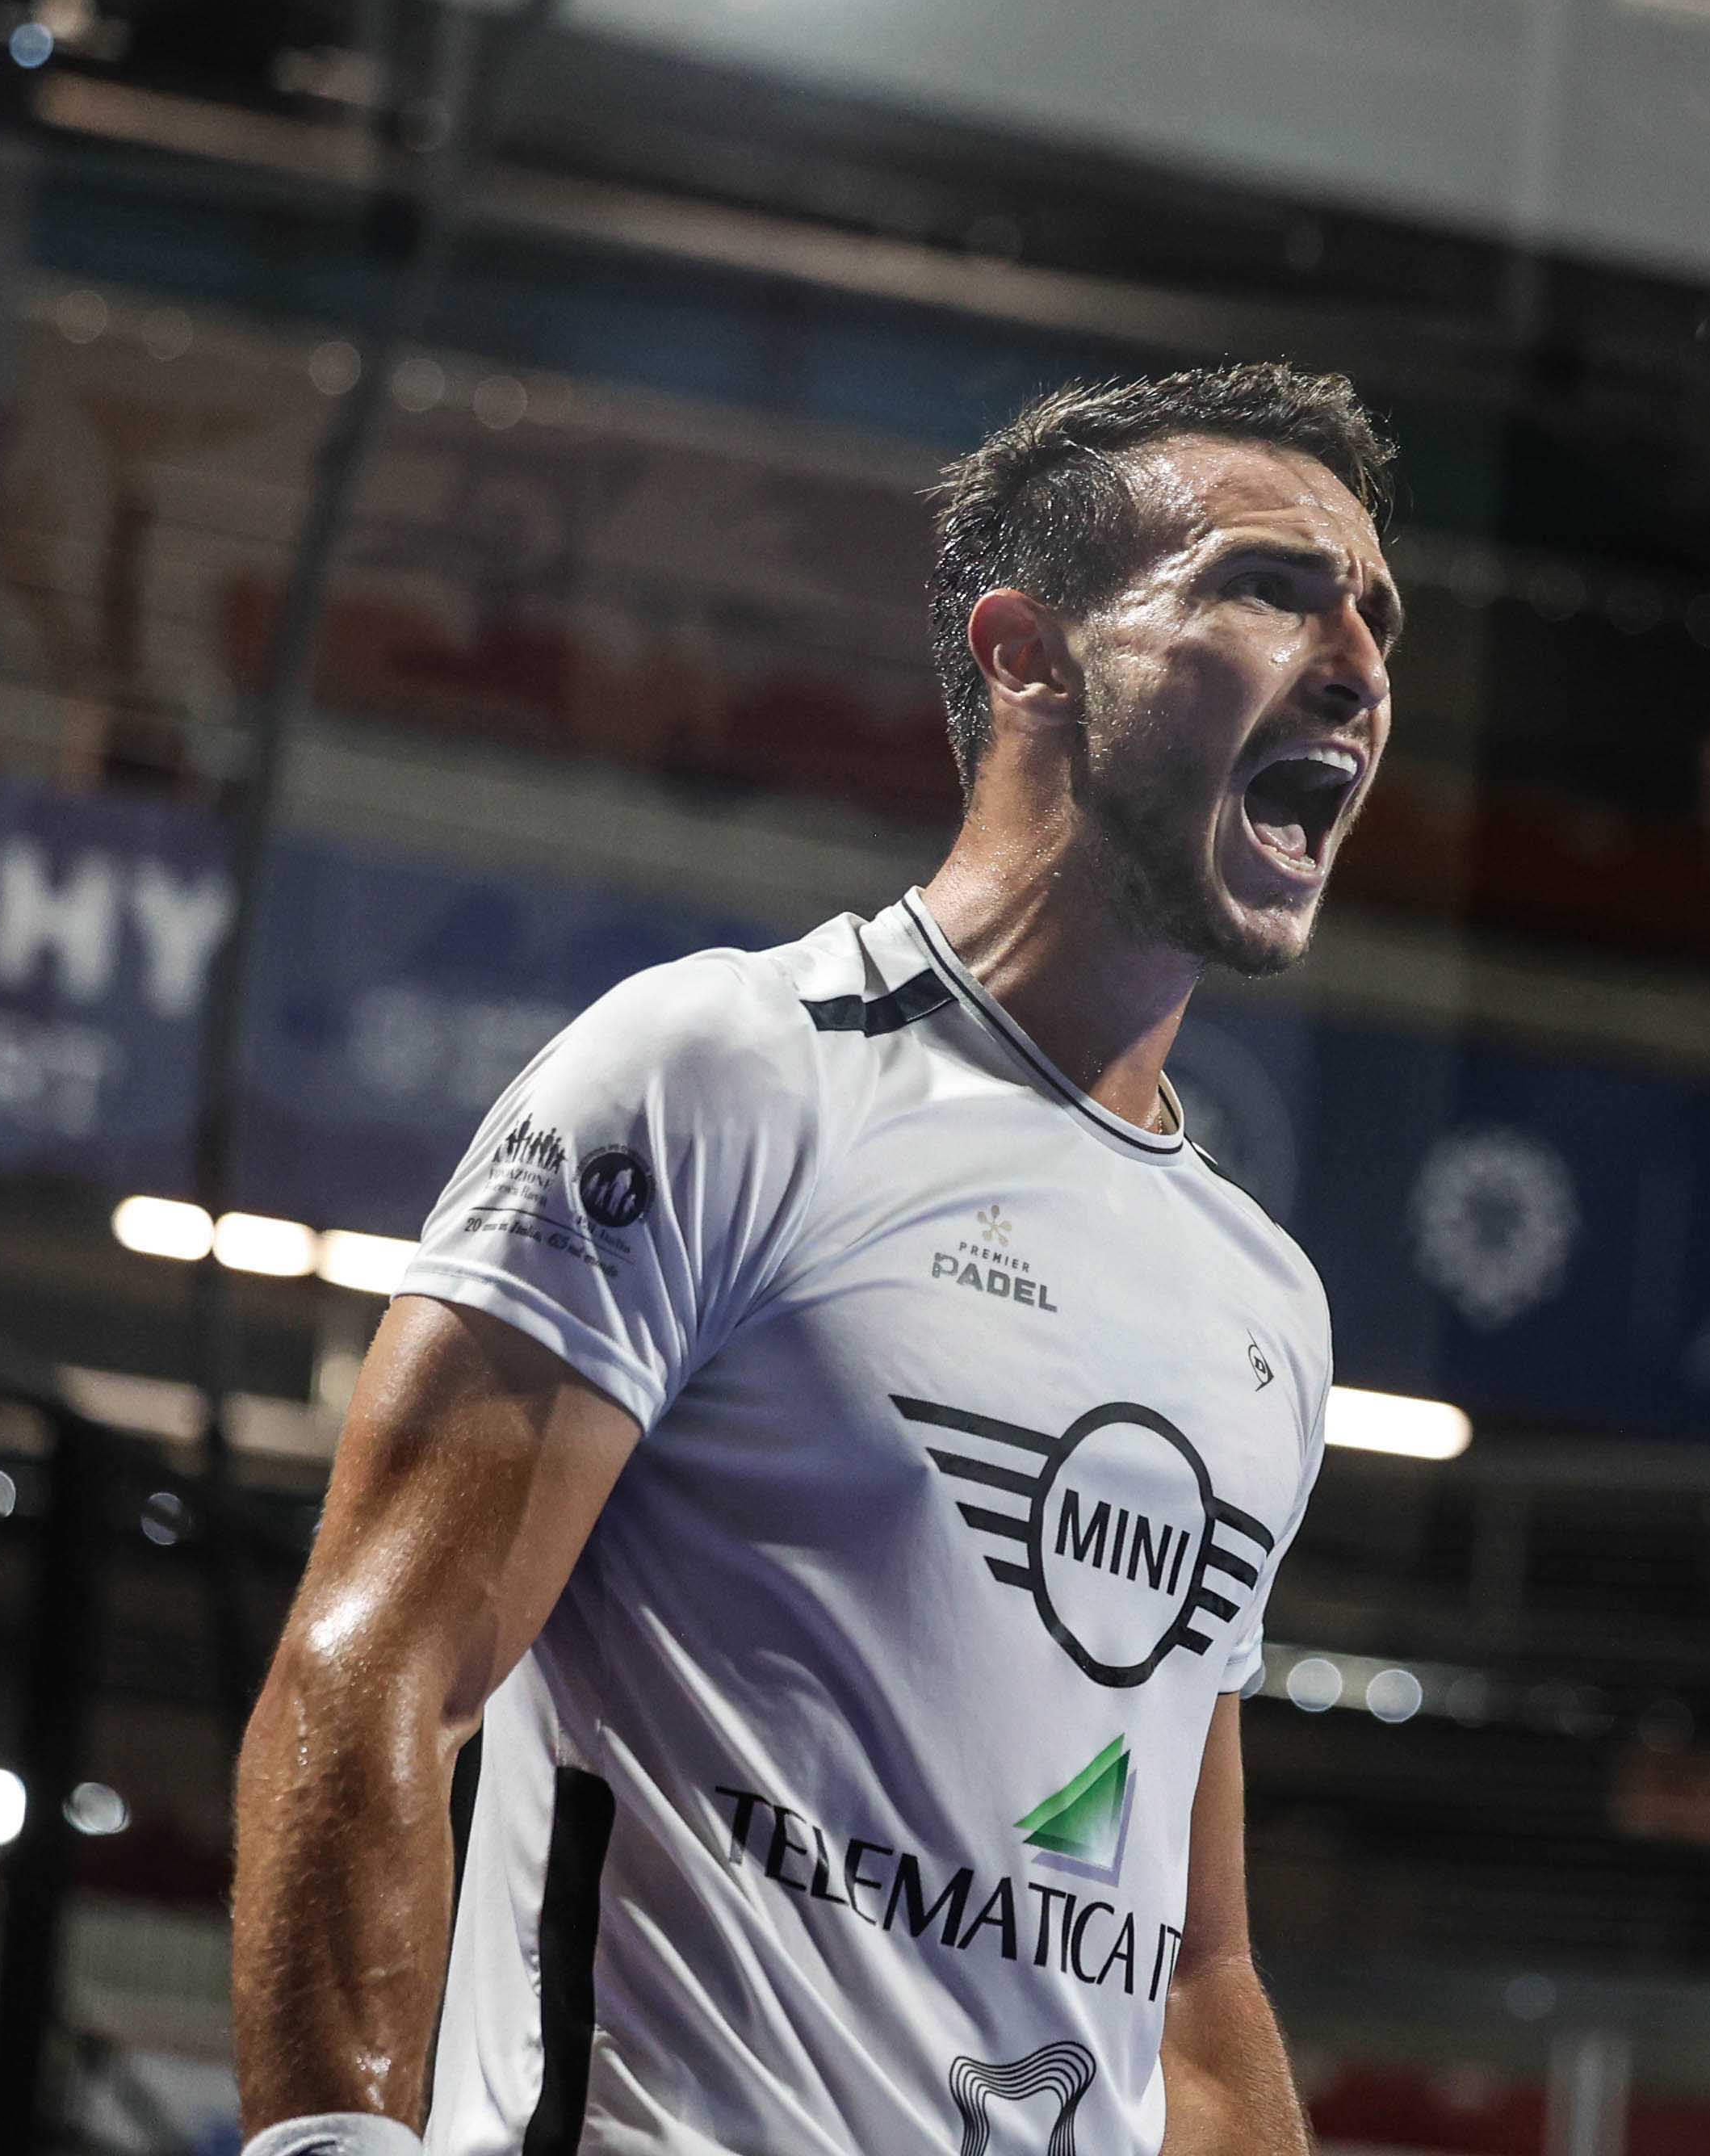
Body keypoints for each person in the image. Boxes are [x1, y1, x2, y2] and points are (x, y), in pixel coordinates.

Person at [228, 362, 1405, 2156]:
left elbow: (1193, 1977)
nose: (1360, 665)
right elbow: (376, 1669)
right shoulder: (727, 1077)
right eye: (1270, 587)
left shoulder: (1267, 1309)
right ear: (1028, 657)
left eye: (1380, 617)